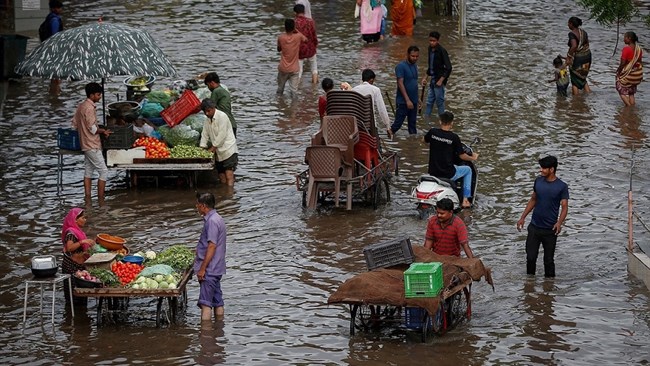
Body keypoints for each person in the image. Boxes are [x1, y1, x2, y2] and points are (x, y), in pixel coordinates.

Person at [516, 156, 569, 278]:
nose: (541, 170)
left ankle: (549, 289)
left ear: (552, 169)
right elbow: (533, 199)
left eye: (544, 168)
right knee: (530, 258)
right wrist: (522, 217)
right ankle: (529, 285)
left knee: (548, 261)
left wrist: (559, 223)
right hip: (534, 228)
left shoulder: (562, 186)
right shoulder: (538, 181)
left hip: (550, 230)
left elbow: (565, 207)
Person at [423, 111, 478, 209]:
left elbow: (424, 141)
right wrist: (473, 157)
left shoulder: (432, 132)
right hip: (448, 173)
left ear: (440, 121)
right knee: (468, 170)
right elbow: (462, 156)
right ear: (452, 123)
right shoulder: (454, 137)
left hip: (433, 172)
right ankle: (465, 200)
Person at [72, 82, 112, 204]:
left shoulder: (81, 106)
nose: (100, 97)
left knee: (88, 171)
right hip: (92, 144)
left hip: (84, 143)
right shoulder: (89, 108)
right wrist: (103, 131)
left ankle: (88, 199)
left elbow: (74, 124)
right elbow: (93, 129)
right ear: (92, 95)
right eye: (98, 94)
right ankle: (101, 199)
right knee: (103, 171)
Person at [194, 192, 227, 321]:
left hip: (210, 269)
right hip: (217, 267)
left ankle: (205, 335)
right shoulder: (218, 218)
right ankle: (219, 328)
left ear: (203, 206)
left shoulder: (212, 222)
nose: (196, 207)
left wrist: (202, 268)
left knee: (205, 303)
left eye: (197, 205)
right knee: (217, 300)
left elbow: (212, 246)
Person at [199, 99, 238, 187]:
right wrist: (202, 148)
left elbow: (222, 135)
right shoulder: (207, 120)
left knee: (229, 175)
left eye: (208, 111)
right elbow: (204, 134)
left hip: (228, 149)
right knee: (221, 175)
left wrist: (212, 148)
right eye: (205, 112)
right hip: (218, 151)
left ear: (213, 108)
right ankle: (224, 193)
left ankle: (230, 194)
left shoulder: (222, 116)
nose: (207, 114)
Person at [61, 207, 94, 305]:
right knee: (73, 294)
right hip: (71, 267)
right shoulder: (71, 233)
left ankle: (80, 316)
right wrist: (82, 241)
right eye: (82, 218)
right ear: (75, 219)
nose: (85, 220)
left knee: (82, 294)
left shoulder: (79, 232)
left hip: (80, 267)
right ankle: (73, 313)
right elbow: (69, 248)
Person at [352, 68, 393, 138]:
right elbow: (382, 110)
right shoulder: (375, 90)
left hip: (356, 125)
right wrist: (388, 127)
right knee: (376, 144)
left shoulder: (353, 90)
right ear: (371, 80)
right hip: (371, 126)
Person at [421, 31, 452, 118]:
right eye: (430, 40)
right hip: (433, 80)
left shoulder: (442, 51)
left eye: (434, 41)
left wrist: (441, 80)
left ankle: (443, 122)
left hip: (439, 81)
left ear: (437, 41)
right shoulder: (429, 49)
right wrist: (425, 77)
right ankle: (426, 119)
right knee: (429, 101)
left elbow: (449, 67)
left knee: (440, 102)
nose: (432, 42)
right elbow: (431, 65)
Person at [391, 46, 420, 136]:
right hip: (403, 101)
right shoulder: (400, 66)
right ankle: (389, 136)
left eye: (416, 56)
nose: (415, 58)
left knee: (412, 125)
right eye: (412, 56)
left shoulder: (415, 66)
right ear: (407, 55)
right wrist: (407, 100)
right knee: (397, 124)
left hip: (414, 100)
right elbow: (400, 83)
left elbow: (414, 83)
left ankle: (412, 145)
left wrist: (418, 99)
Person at [277, 18, 307, 97]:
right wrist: (296, 30)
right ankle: (294, 108)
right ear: (294, 27)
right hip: (294, 69)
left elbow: (279, 49)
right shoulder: (298, 36)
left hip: (283, 68)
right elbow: (306, 40)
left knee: (280, 90)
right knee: (294, 92)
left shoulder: (281, 37)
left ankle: (279, 106)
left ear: (285, 27)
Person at [204, 72, 237, 137]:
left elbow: (209, 107)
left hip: (225, 125)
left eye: (208, 85)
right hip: (232, 124)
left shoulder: (216, 91)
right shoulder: (223, 90)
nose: (208, 87)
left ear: (212, 83)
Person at [616, 31, 643, 107]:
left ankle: (629, 107)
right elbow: (640, 62)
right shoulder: (639, 49)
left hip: (628, 74)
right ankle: (633, 106)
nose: (624, 39)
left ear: (629, 39)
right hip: (636, 75)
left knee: (620, 89)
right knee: (631, 93)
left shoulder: (626, 49)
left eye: (625, 37)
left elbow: (623, 63)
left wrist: (618, 71)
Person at [566, 16, 591, 95]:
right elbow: (587, 43)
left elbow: (574, 46)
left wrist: (568, 56)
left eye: (568, 23)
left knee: (575, 81)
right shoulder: (583, 32)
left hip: (578, 59)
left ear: (572, 24)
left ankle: (576, 101)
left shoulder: (572, 34)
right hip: (587, 56)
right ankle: (588, 94)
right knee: (582, 77)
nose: (568, 25)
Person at [294, 3, 319, 84]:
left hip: (299, 49)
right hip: (310, 47)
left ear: (295, 12)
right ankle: (314, 88)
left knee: (299, 71)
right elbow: (314, 35)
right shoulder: (310, 21)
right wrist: (315, 44)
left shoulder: (294, 23)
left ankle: (297, 88)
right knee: (314, 68)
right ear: (304, 11)